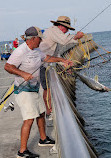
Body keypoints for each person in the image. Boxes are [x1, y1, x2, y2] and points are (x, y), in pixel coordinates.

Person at [4, 26, 73, 158]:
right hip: (23, 90)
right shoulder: (20, 51)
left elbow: (46, 58)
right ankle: (22, 151)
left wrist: (62, 60)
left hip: (34, 89)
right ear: (33, 38)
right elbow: (7, 66)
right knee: (29, 119)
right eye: (39, 38)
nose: (41, 41)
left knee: (41, 114)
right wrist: (22, 73)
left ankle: (43, 139)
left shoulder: (35, 50)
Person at [39, 16, 84, 118]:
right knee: (47, 89)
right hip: (42, 64)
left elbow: (56, 54)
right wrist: (76, 37)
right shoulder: (54, 31)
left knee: (48, 89)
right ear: (60, 26)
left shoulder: (55, 33)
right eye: (67, 28)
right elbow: (65, 41)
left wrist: (64, 62)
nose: (67, 31)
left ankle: (49, 110)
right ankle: (49, 112)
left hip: (47, 62)